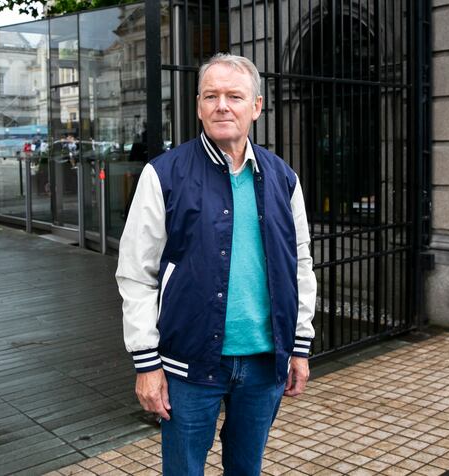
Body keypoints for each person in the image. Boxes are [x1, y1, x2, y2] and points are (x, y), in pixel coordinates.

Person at [115, 53, 316, 475]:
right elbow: (137, 273)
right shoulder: (164, 174)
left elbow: (299, 264)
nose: (222, 105)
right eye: (212, 96)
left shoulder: (283, 177)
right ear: (199, 106)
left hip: (265, 364)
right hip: (189, 364)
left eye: (234, 96)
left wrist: (298, 345)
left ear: (256, 106)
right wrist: (146, 363)